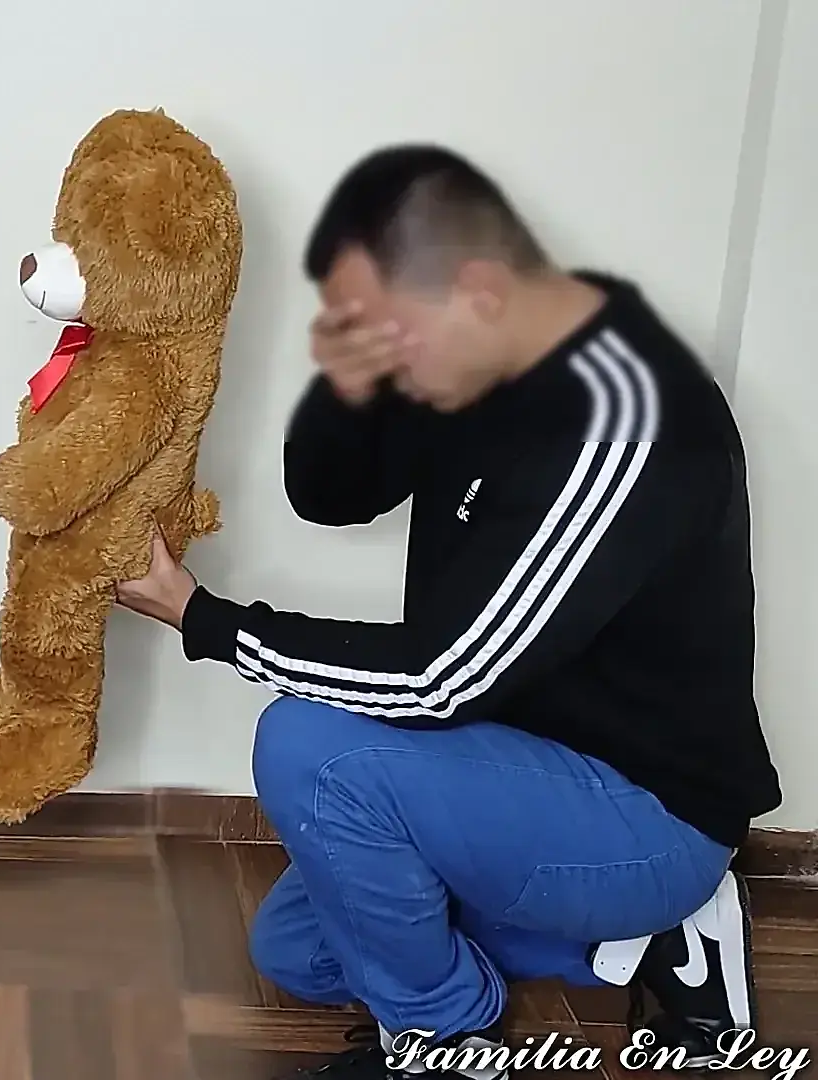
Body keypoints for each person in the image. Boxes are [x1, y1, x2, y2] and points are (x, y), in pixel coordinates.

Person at [116, 145, 781, 1079]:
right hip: (505, 765)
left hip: (643, 810)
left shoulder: (627, 418)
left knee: (310, 751)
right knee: (295, 953)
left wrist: (204, 620)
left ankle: (443, 1039)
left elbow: (439, 677)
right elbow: (327, 494)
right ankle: (638, 945)